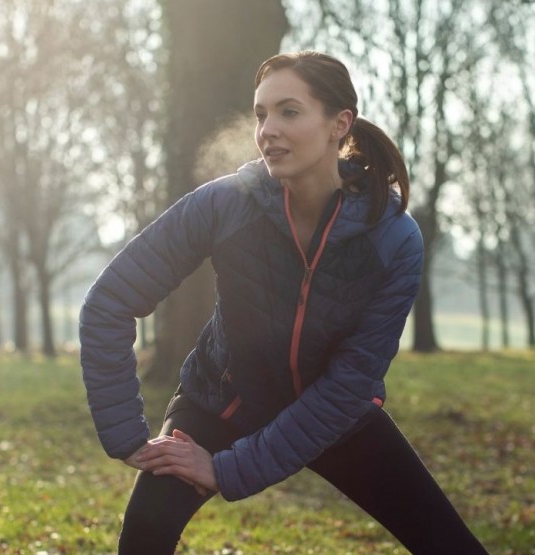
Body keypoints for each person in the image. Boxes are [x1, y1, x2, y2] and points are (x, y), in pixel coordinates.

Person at [79, 50, 487, 554]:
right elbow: (110, 303)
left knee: (452, 546)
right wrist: (127, 438)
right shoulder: (224, 204)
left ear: (340, 124)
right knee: (142, 539)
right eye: (260, 114)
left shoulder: (394, 238)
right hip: (218, 404)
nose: (268, 129)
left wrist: (228, 470)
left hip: (332, 414)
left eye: (289, 112)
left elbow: (349, 384)